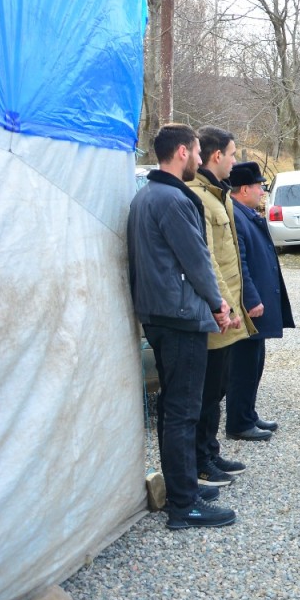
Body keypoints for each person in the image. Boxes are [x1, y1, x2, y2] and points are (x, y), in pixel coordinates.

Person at [127, 123, 235, 529]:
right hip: (179, 317)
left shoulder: (147, 195)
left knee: (175, 409)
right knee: (182, 413)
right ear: (183, 152)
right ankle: (184, 506)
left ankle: (182, 485)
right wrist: (218, 305)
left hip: (160, 315)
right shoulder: (173, 199)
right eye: (194, 151)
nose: (197, 158)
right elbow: (197, 260)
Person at [188, 126, 254, 487]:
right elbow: (208, 257)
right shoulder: (197, 196)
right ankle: (200, 461)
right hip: (215, 312)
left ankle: (210, 451)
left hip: (227, 308)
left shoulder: (218, 193)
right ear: (217, 156)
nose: (234, 160)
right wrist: (225, 305)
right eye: (231, 154)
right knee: (208, 390)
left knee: (219, 387)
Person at [227, 161, 295, 441]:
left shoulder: (245, 212)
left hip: (257, 306)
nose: (262, 193)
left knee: (255, 361)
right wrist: (251, 299)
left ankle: (249, 414)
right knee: (243, 365)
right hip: (248, 308)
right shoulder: (235, 215)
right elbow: (238, 262)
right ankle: (239, 422)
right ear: (244, 189)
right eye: (259, 187)